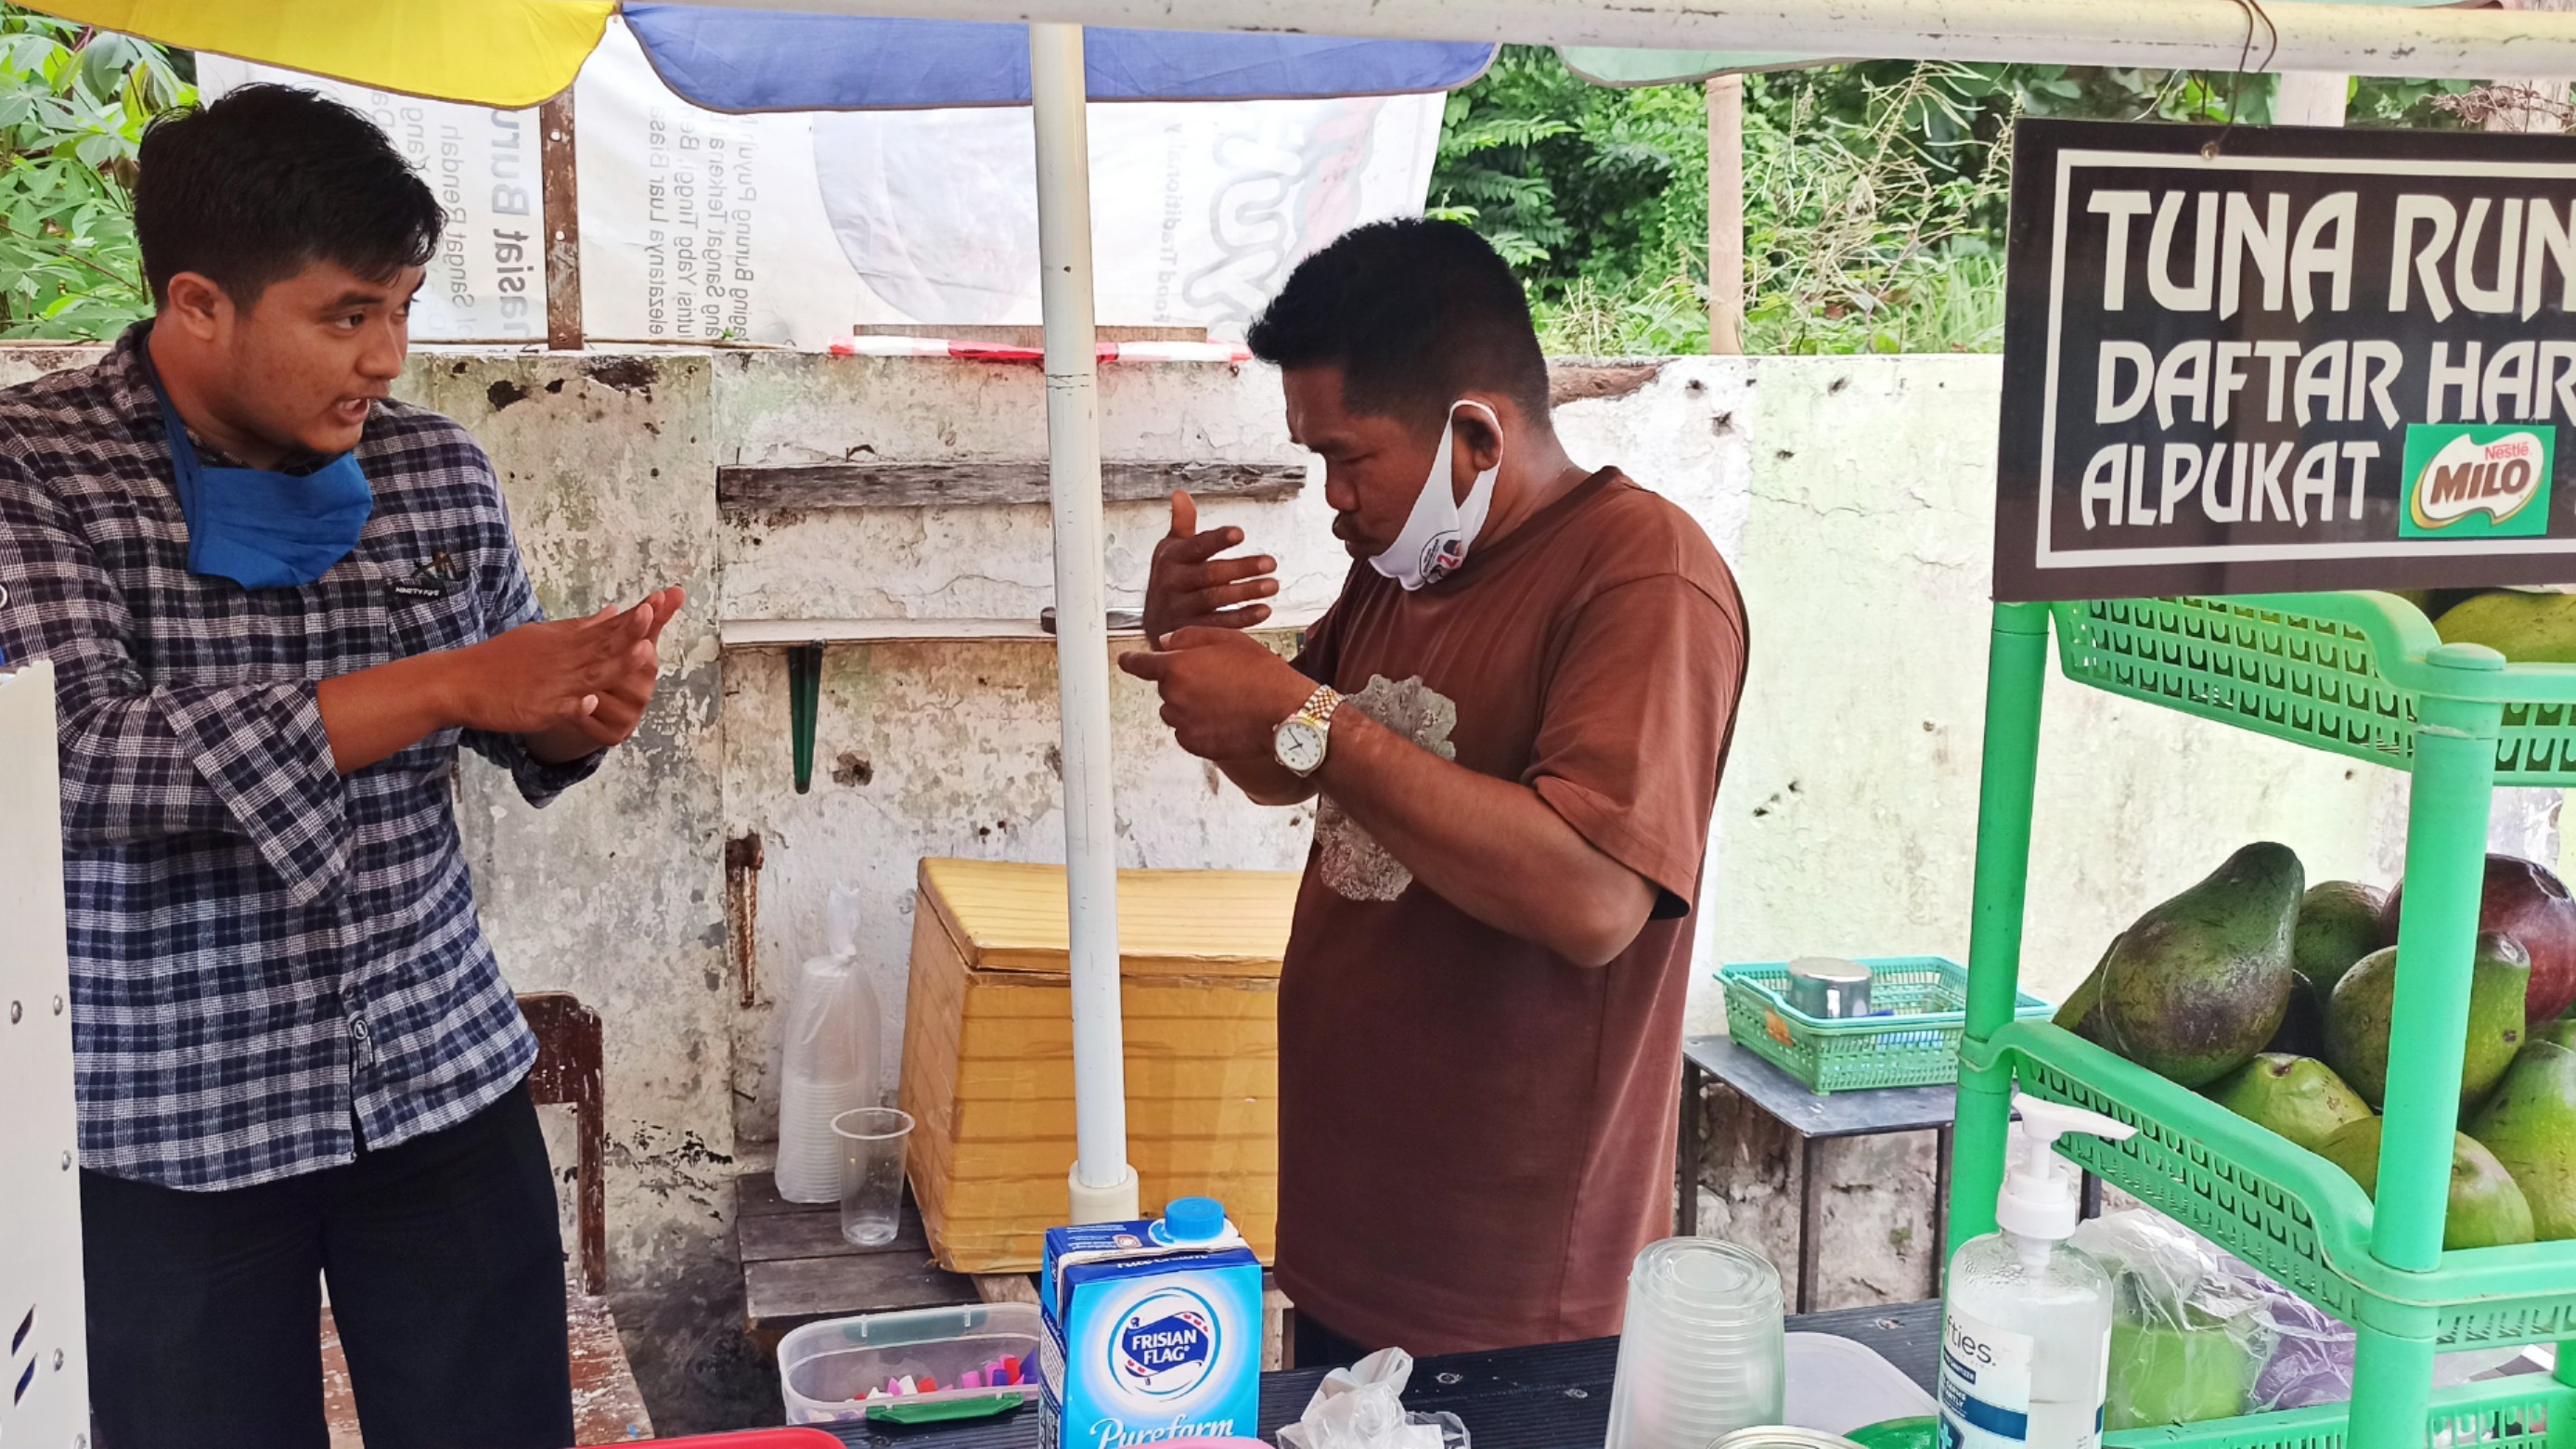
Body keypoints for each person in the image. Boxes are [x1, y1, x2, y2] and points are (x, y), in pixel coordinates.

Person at [0, 86, 681, 1449]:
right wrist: (444, 682)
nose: (388, 357)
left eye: (405, 308)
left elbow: (501, 717)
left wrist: (572, 714)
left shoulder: (436, 470)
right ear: (199, 304)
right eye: (346, 315)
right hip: (168, 1116)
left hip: (431, 1065)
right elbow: (82, 758)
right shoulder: (39, 473)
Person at [1122, 219, 1748, 1362]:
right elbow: (1284, 760)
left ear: (1473, 432)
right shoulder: (1397, 577)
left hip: (1513, 1291)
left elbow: (1595, 898)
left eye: (1349, 458)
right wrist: (1194, 646)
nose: (1333, 501)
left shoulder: (1641, 574)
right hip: (1348, 1233)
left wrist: (1303, 713)